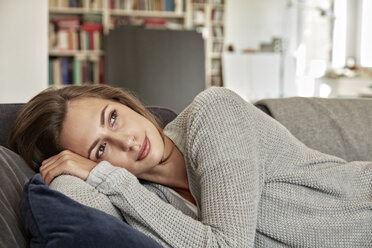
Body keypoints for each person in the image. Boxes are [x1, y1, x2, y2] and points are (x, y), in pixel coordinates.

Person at [9, 84, 372, 247]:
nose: (128, 142)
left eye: (114, 118)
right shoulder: (147, 200)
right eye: (101, 149)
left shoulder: (213, 114)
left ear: (126, 103)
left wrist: (109, 177)